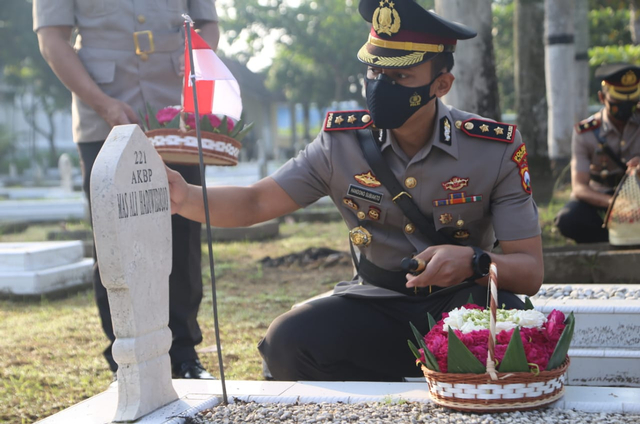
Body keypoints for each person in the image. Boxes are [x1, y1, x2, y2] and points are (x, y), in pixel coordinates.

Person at [167, 0, 543, 381]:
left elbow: (529, 272)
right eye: (374, 70)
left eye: (400, 78)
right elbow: (256, 201)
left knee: (521, 339)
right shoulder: (340, 144)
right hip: (376, 305)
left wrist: (474, 261)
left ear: (441, 84)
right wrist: (183, 196)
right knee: (287, 342)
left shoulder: (494, 149)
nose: (381, 86)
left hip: (462, 304)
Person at [33, 0, 220, 379]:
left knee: (182, 229)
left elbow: (207, 23)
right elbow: (53, 39)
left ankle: (183, 353)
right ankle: (127, 357)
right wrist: (102, 105)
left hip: (177, 110)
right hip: (102, 107)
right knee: (115, 239)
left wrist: (197, 68)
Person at [555, 63, 640, 244]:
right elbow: (580, 188)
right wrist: (615, 205)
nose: (626, 108)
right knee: (568, 219)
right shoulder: (585, 132)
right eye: (618, 103)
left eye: (631, 103)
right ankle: (610, 240)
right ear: (602, 97)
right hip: (601, 199)